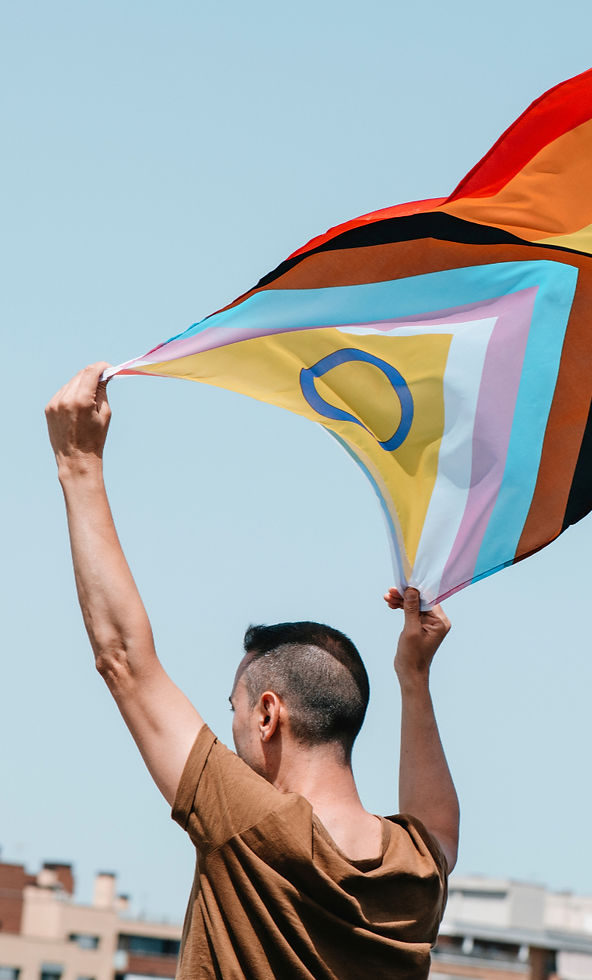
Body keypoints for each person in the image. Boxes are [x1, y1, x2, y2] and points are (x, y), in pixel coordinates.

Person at [45, 363, 460, 979]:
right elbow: (441, 832)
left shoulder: (250, 823)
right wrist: (415, 678)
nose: (230, 730)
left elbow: (124, 661)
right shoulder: (415, 871)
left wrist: (78, 466)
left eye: (234, 709)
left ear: (269, 713)